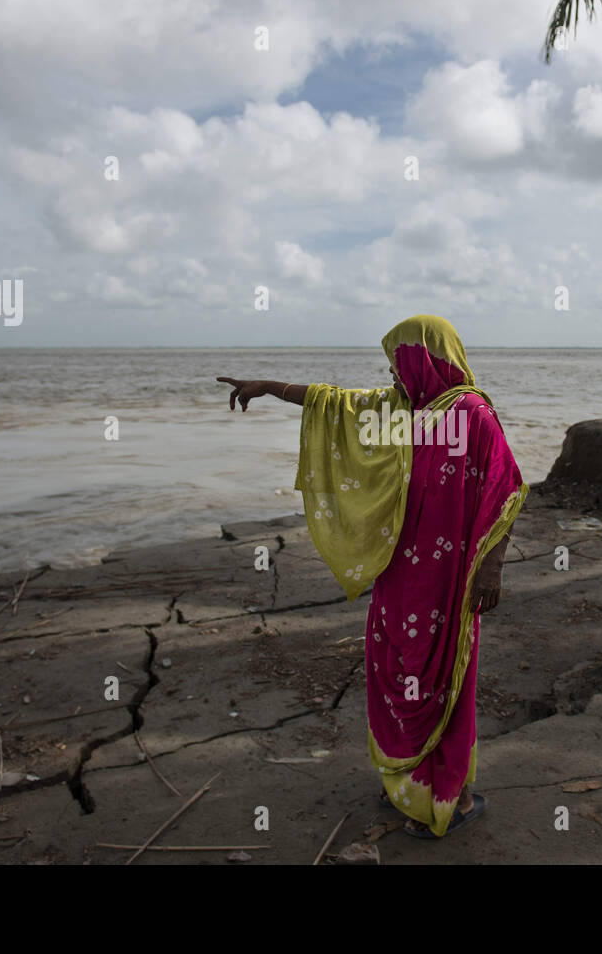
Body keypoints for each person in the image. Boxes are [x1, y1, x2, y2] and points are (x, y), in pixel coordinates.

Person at [217, 314, 527, 838]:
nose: (391, 376)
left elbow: (507, 490)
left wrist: (491, 571)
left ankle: (454, 796)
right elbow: (333, 402)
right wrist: (268, 387)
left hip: (450, 579)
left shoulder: (471, 414)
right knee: (394, 669)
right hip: (400, 572)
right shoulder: (403, 412)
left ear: (424, 360)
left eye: (397, 364)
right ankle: (406, 782)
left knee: (440, 676)